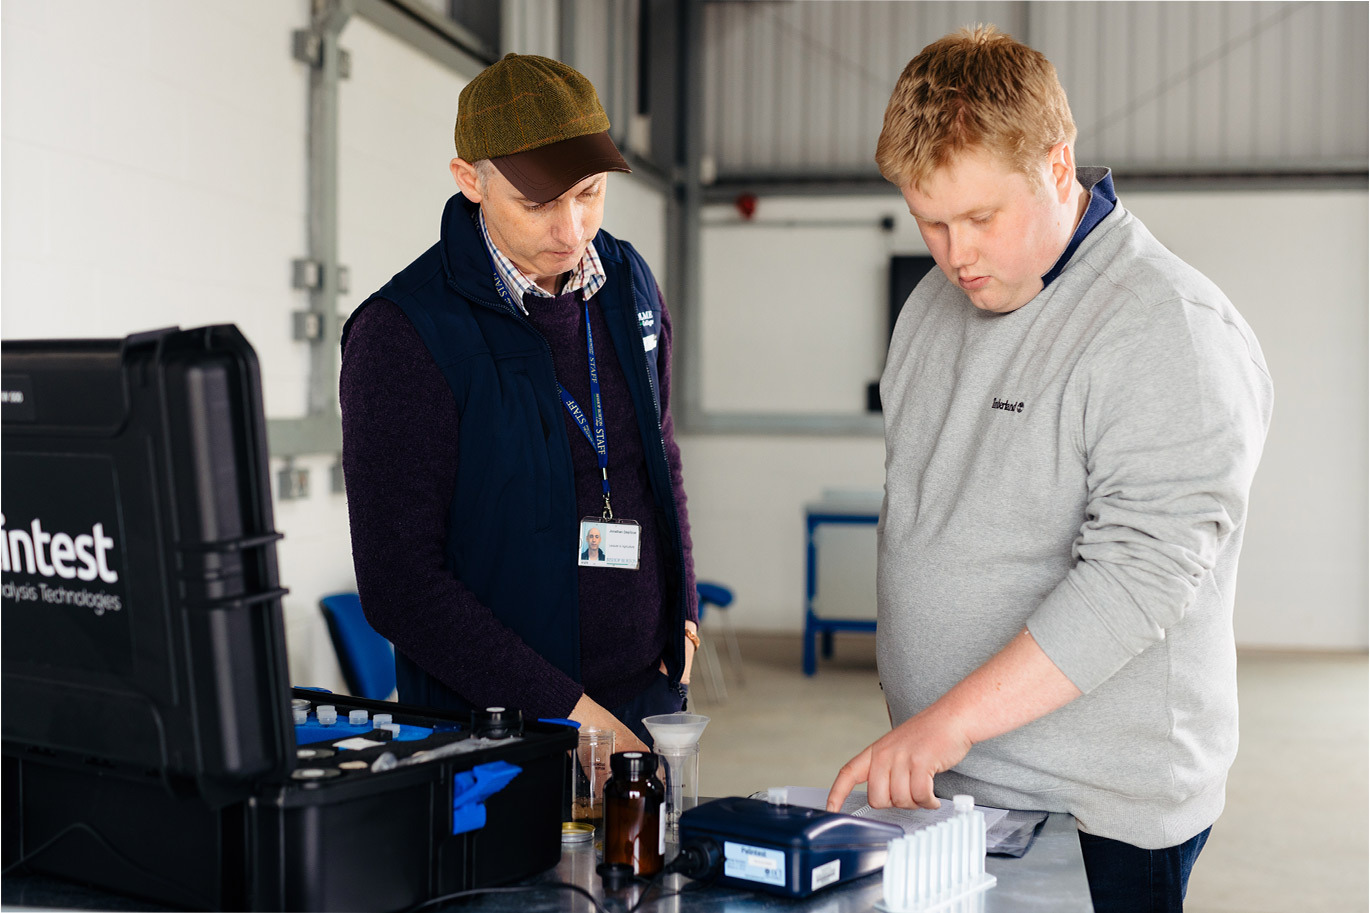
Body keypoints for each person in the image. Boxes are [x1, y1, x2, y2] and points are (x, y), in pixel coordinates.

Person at [826, 25, 1273, 913]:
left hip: (1100, 813)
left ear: (1057, 166)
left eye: (981, 218)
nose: (955, 254)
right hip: (959, 787)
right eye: (930, 220)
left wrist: (948, 719)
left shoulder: (1167, 328)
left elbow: (1138, 579)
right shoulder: (933, 304)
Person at [339, 53, 700, 751]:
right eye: (537, 203)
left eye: (589, 193)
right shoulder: (405, 333)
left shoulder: (628, 284)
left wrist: (681, 613)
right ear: (470, 179)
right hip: (499, 732)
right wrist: (572, 714)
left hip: (648, 698)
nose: (571, 230)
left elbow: (661, 456)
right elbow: (400, 585)